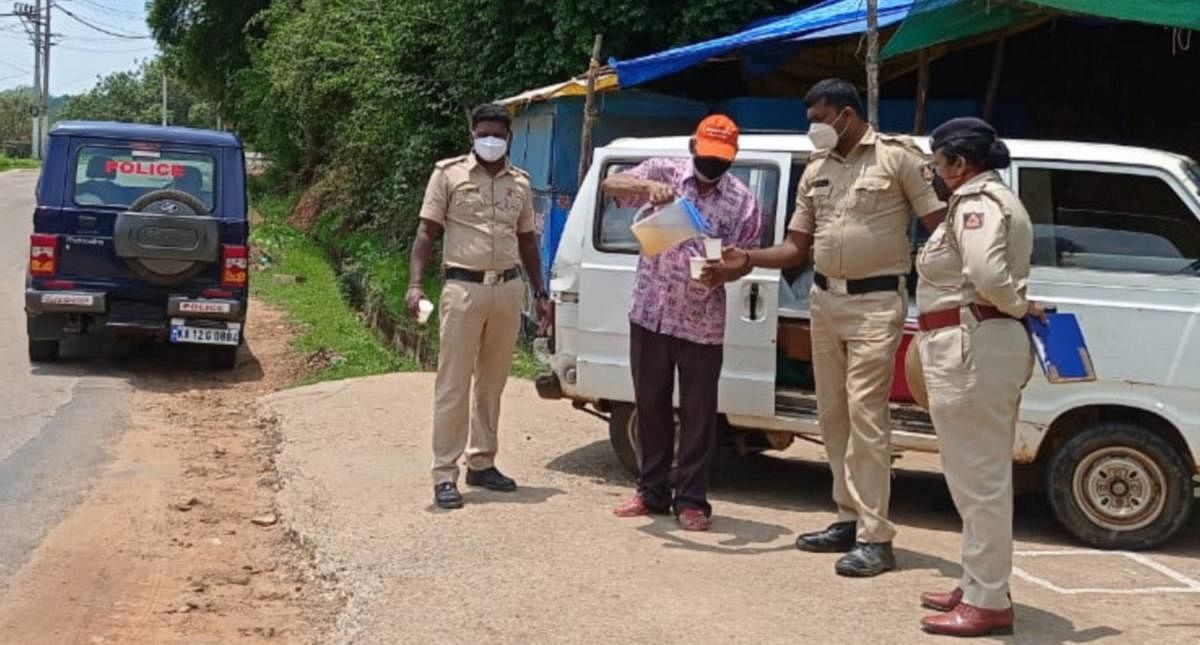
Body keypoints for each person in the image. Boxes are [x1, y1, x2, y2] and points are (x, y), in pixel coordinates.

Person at [714, 79, 944, 575]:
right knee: (833, 416)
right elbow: (796, 248)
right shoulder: (815, 169)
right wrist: (746, 259)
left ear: (845, 113)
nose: (813, 128)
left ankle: (876, 536)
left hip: (877, 302)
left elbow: (938, 224)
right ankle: (847, 517)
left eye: (819, 118)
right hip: (825, 301)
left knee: (867, 417)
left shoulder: (896, 157)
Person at [913, 117, 1043, 638]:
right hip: (976, 343)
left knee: (980, 479)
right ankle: (978, 582)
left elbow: (988, 276)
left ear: (959, 163)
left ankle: (988, 599)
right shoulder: (986, 200)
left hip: (973, 343)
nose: (935, 173)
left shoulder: (976, 204)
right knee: (973, 477)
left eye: (937, 163)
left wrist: (1015, 303)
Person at [601, 114, 761, 531]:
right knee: (650, 404)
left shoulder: (742, 200)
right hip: (651, 312)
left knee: (698, 414)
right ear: (694, 148)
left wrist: (725, 272)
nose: (713, 165)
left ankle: (692, 500)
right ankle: (650, 491)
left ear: (733, 157)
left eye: (722, 159)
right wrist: (645, 188)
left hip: (702, 321)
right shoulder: (664, 171)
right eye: (708, 156)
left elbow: (746, 258)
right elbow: (610, 184)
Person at [407, 103, 548, 510]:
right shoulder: (448, 175)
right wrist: (416, 284)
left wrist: (540, 293)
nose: (491, 141)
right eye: (483, 133)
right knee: (453, 383)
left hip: (507, 289)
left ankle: (482, 462)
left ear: (509, 139)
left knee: (492, 383)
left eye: (498, 135)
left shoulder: (520, 183)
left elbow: (527, 242)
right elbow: (426, 232)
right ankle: (444, 473)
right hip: (462, 288)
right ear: (472, 135)